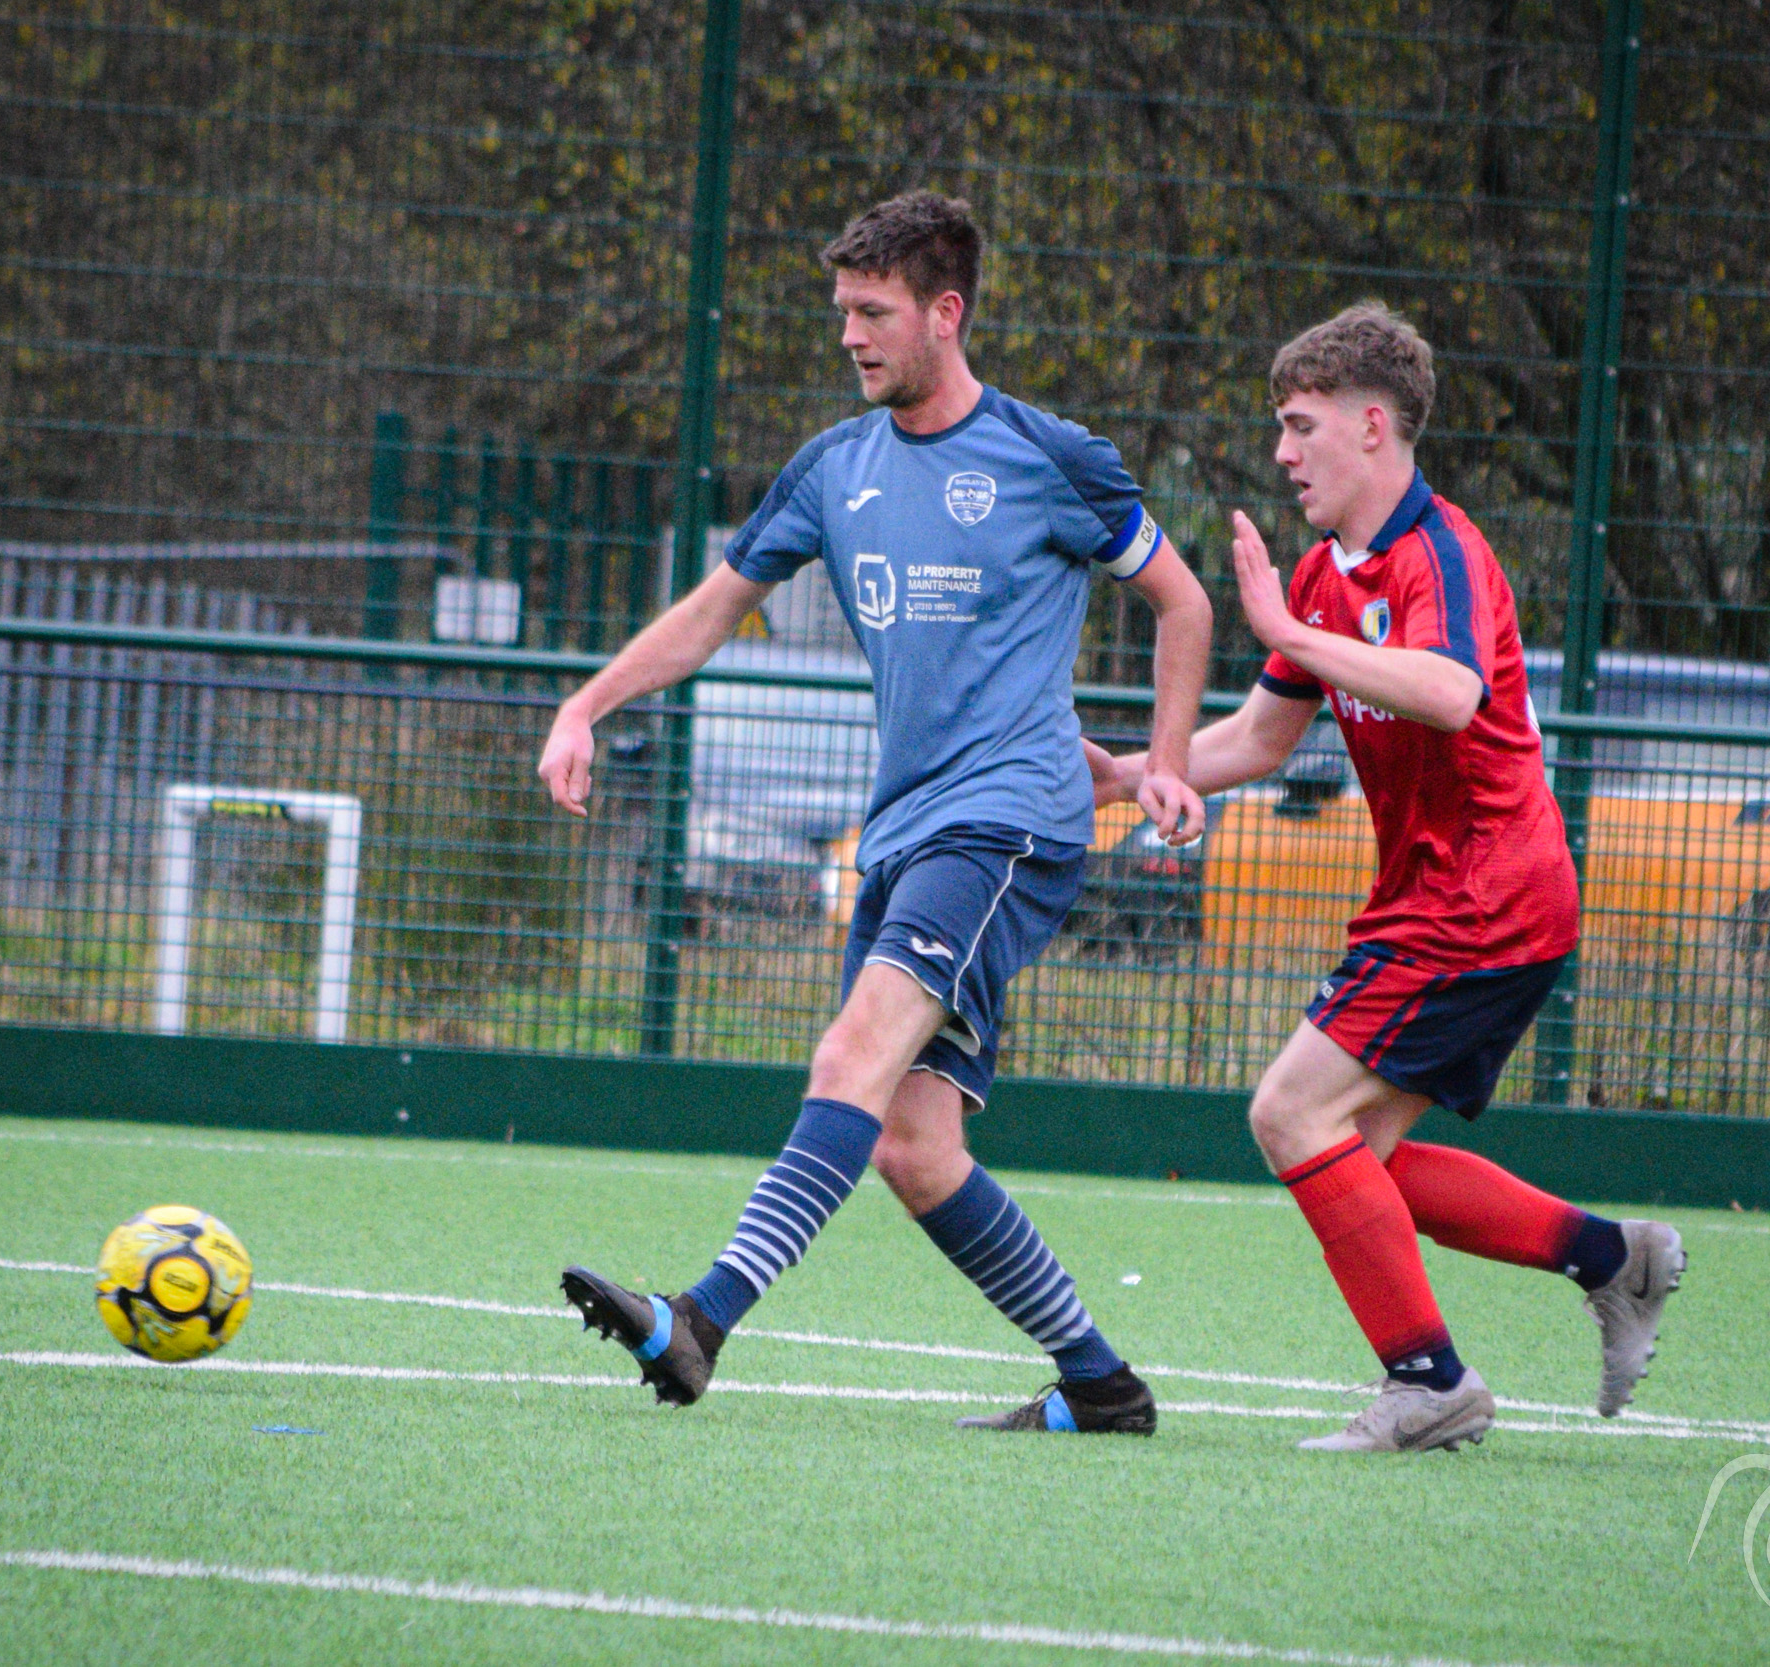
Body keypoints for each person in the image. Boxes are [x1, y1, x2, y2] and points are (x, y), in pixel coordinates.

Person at [538, 191, 1212, 1435]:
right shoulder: (831, 468)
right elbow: (710, 612)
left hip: (1009, 825)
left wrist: (1163, 758)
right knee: (913, 1147)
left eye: (872, 311)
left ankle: (700, 1321)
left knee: (849, 1055)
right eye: (842, 310)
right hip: (905, 832)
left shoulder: (1051, 457)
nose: (849, 334)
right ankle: (1102, 1383)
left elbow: (1184, 601)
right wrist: (585, 704)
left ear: (944, 313)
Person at [1092, 301, 1684, 1454]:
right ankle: (1611, 1256)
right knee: (1351, 1155)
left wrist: (1289, 628)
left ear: (1372, 426)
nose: (1281, 451)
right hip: (1438, 901)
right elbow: (1259, 739)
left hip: (1485, 899)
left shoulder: (1439, 552)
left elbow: (1449, 689)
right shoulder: (1324, 575)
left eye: (1299, 424)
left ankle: (1429, 1382)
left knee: (1289, 1112)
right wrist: (1130, 776)